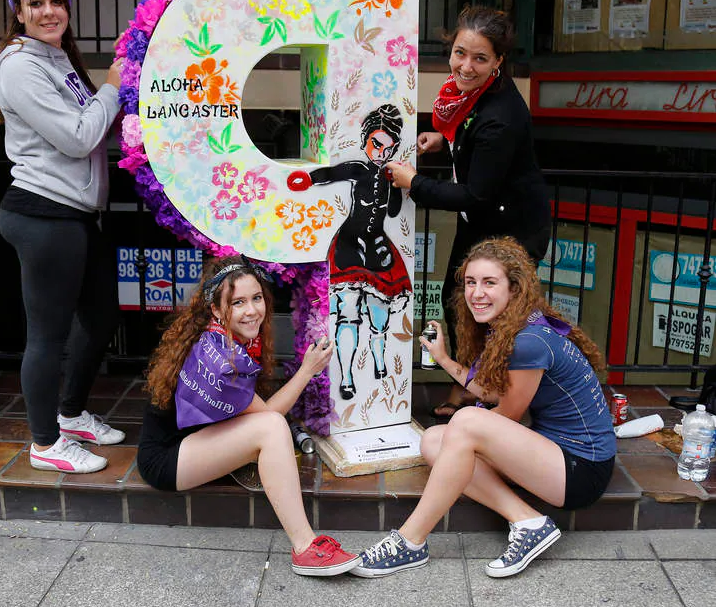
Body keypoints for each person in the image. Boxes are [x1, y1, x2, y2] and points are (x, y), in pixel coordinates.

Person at [350, 237, 616, 579]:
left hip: (582, 468)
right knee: (434, 440)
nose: (477, 293)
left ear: (515, 288)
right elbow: (491, 392)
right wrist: (444, 358)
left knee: (463, 424)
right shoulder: (514, 327)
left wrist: (465, 431)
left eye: (490, 283)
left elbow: (506, 414)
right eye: (471, 282)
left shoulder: (529, 342)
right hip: (555, 454)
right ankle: (527, 520)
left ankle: (409, 541)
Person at [0, 0, 126, 473]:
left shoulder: (55, 58)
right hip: (44, 214)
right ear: (18, 13)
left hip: (75, 214)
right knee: (46, 335)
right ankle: (45, 443)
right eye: (36, 2)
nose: (49, 11)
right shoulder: (21, 64)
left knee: (101, 315)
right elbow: (78, 136)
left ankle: (70, 415)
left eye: (56, 0)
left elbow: (90, 126)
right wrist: (113, 85)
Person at [138, 256, 361, 576]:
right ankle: (305, 547)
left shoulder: (218, 336)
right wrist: (307, 370)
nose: (252, 310)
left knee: (271, 427)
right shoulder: (217, 354)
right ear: (216, 309)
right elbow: (267, 415)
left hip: (193, 443)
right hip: (167, 459)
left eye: (256, 298)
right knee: (271, 428)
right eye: (238, 302)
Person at [386, 5, 551, 419]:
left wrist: (414, 183)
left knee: (495, 315)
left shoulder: (501, 117)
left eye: (480, 58)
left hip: (509, 230)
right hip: (481, 224)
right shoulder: (471, 96)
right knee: (457, 300)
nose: (466, 65)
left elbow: (476, 194)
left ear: (498, 61)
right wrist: (444, 141)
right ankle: (467, 384)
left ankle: (497, 400)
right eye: (460, 53)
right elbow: (469, 132)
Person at [287, 104, 412, 399]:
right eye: (376, 145)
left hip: (379, 250)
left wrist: (396, 183)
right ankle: (346, 377)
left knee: (379, 316)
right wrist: (307, 179)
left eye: (388, 148)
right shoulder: (359, 169)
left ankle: (380, 360)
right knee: (347, 314)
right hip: (348, 248)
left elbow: (394, 211)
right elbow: (334, 172)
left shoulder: (391, 176)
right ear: (366, 140)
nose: (381, 153)